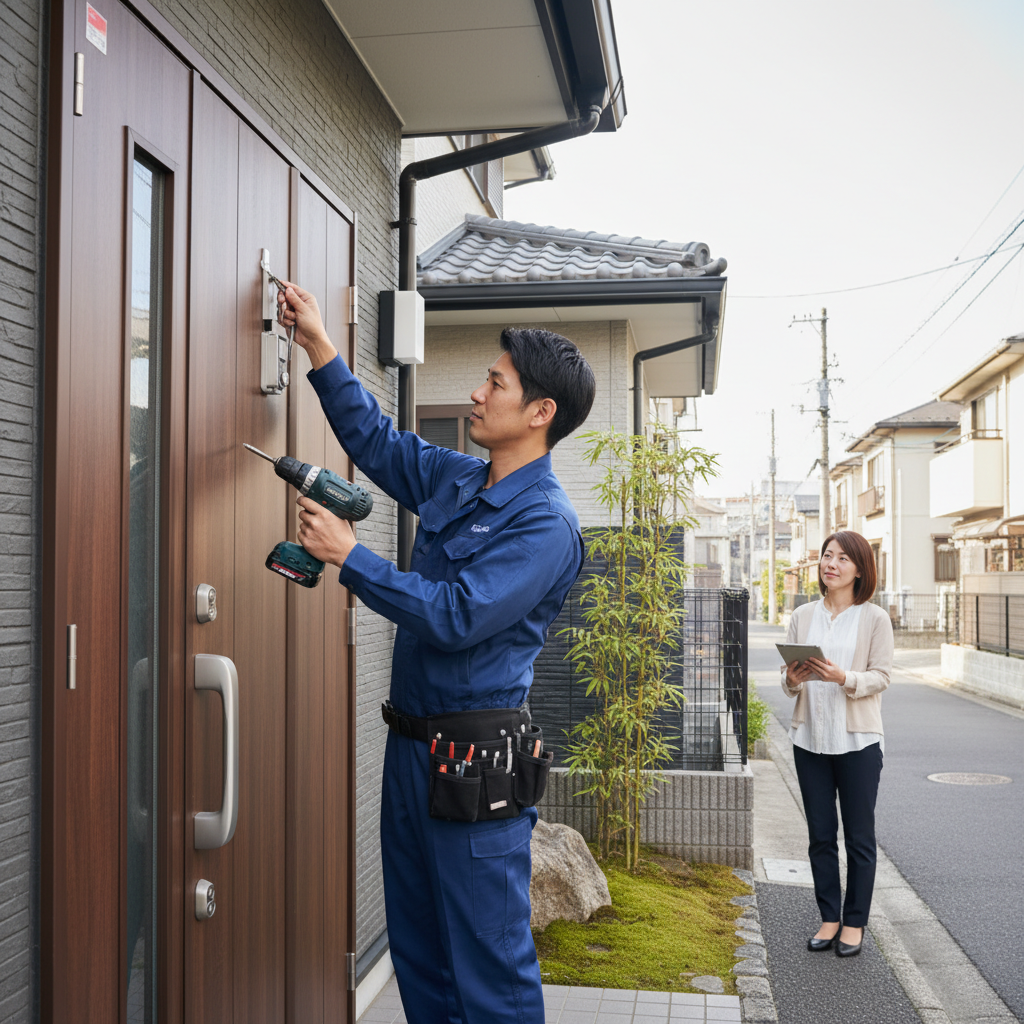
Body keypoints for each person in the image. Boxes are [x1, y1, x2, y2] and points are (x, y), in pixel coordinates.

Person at [276, 281, 595, 1023]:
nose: (477, 393)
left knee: (488, 967)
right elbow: (378, 444)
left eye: (495, 382)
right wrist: (321, 343)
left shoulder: (546, 526)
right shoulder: (462, 478)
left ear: (540, 413)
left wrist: (351, 557)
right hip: (410, 752)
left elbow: (456, 616)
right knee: (420, 955)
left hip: (475, 761)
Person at [780, 530, 894, 958]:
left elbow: (882, 676)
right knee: (820, 835)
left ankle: (855, 922)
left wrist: (842, 677)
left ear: (860, 569)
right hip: (809, 738)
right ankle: (829, 917)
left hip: (859, 741)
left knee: (859, 838)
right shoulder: (803, 614)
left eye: (842, 558)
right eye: (827, 556)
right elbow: (790, 678)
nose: (831, 563)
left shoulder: (874, 618)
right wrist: (792, 681)